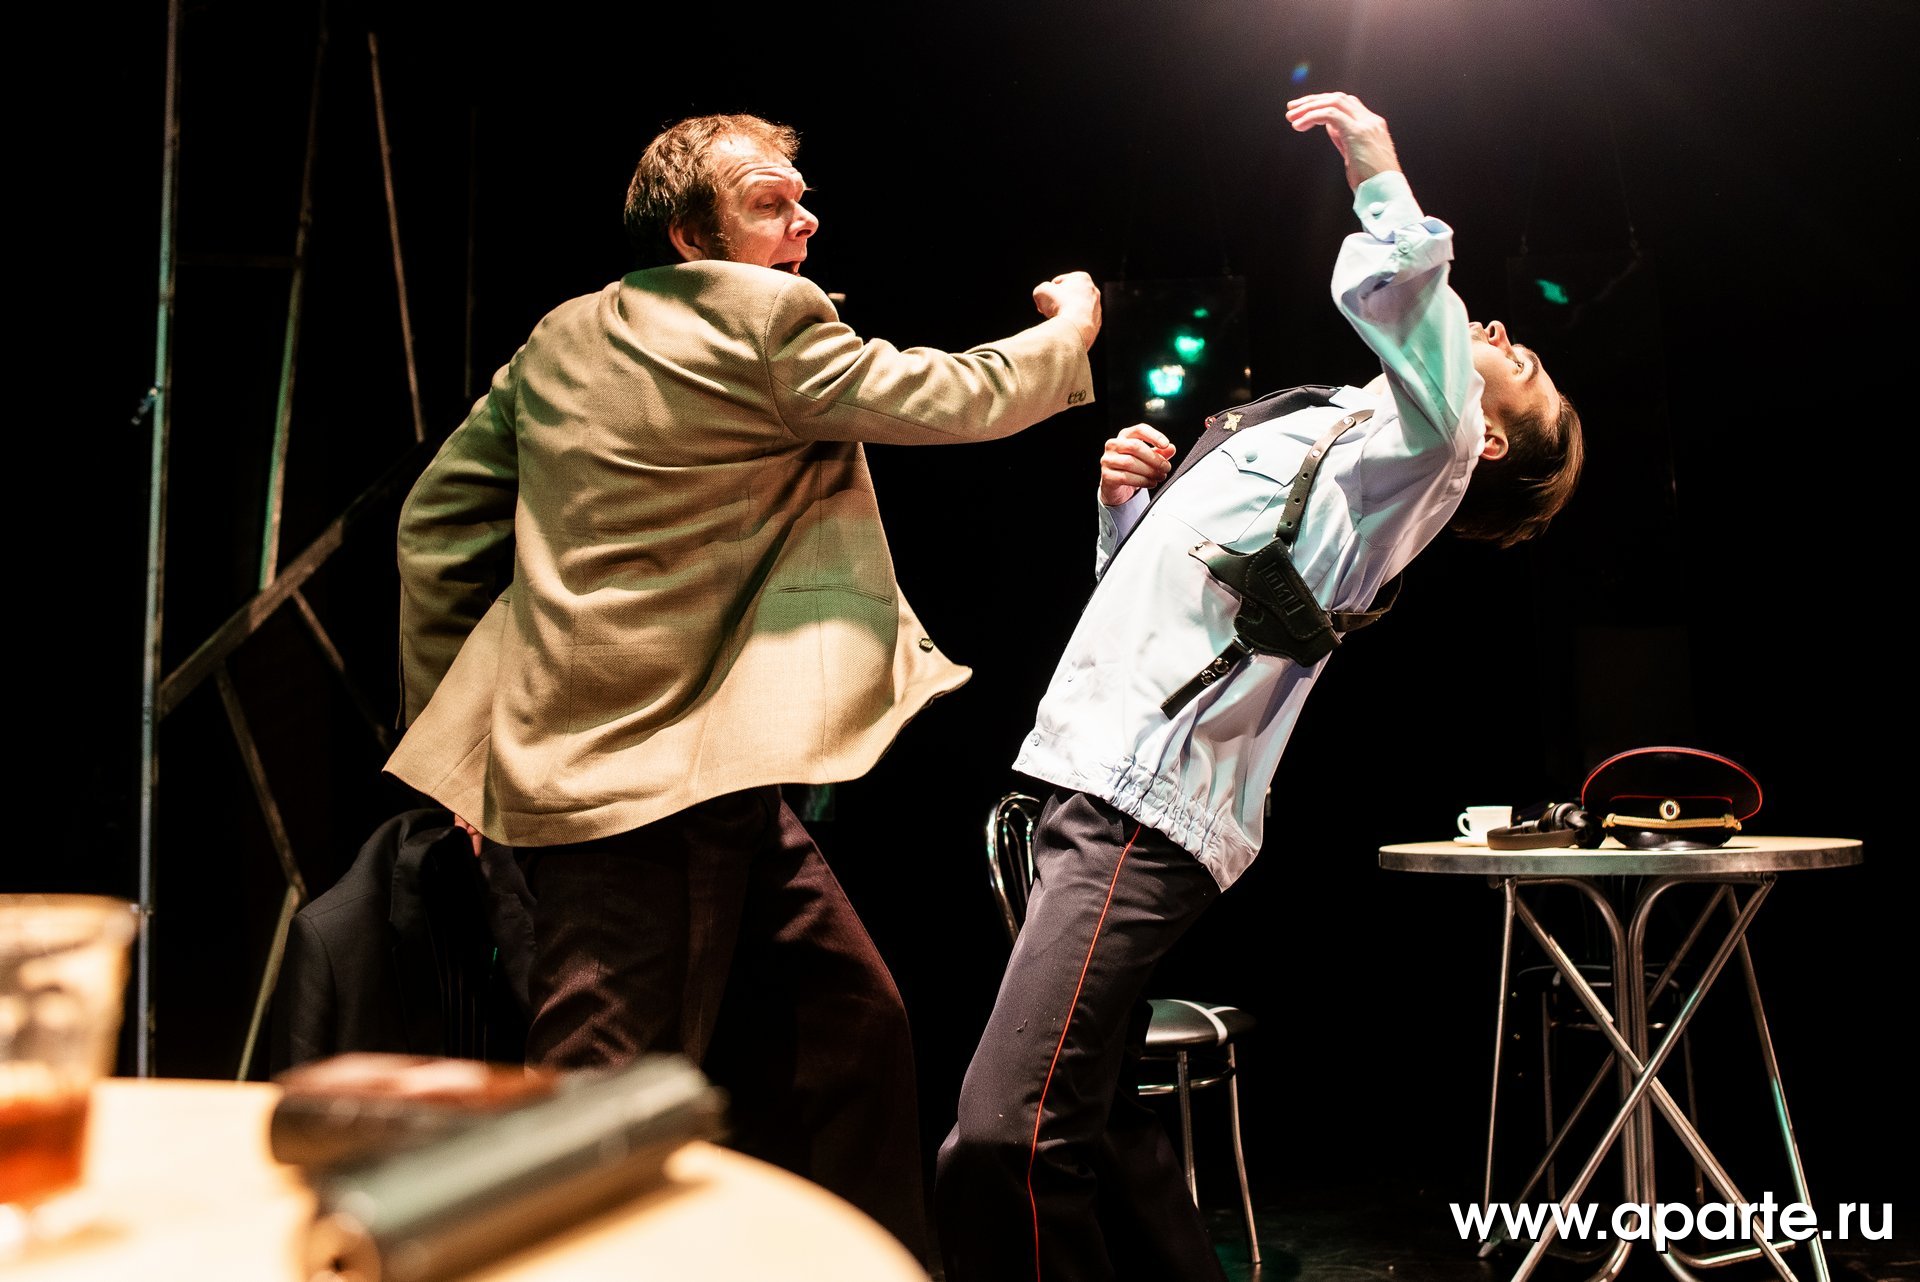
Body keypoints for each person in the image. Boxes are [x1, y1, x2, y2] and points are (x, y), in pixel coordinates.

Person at [382, 111, 1101, 1265]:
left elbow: (435, 527)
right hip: (637, 795)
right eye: (769, 202)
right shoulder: (764, 317)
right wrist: (1070, 329)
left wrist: (456, 745)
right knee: (599, 1108)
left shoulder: (561, 334)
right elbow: (959, 396)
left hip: (679, 777)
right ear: (688, 235)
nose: (804, 219)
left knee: (845, 1032)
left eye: (802, 197)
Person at [933, 91, 1584, 1282]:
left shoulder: (1425, 454)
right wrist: (1124, 508)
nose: (1496, 328)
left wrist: (1378, 170)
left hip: (1140, 805)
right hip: (1087, 771)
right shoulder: (1322, 425)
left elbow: (1409, 305)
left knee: (1003, 1143)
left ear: (1489, 442)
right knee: (1106, 1133)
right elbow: (1159, 603)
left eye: (1522, 362)